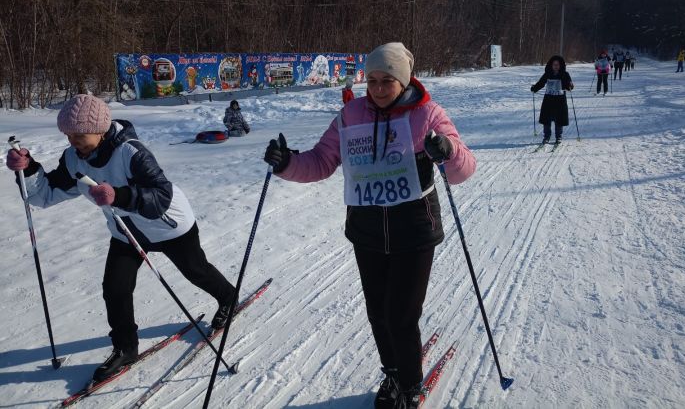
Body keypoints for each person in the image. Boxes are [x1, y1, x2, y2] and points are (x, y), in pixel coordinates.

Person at [263, 43, 476, 409]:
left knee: (401, 314)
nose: (377, 89)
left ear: (403, 79)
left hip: (413, 229)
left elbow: (463, 168)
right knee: (377, 311)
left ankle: (410, 385)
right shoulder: (351, 114)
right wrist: (286, 163)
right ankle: (392, 372)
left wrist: (447, 150)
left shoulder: (427, 114)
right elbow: (321, 161)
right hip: (367, 230)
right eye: (372, 80)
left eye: (387, 81)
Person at [5, 95, 236, 382]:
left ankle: (229, 297)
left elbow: (161, 196)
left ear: (101, 130)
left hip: (168, 225)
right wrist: (27, 169)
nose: (73, 141)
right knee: (115, 288)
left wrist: (120, 195)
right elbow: (45, 195)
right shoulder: (74, 159)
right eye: (68, 135)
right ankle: (125, 348)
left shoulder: (131, 152)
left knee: (196, 271)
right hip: (126, 231)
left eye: (80, 134)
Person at [530, 55, 574, 144]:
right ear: (551, 65)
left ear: (561, 65)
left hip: (560, 100)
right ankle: (547, 136)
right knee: (546, 119)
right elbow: (541, 83)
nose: (556, 66)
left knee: (559, 119)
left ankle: (559, 136)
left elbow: (569, 84)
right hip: (548, 99)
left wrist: (570, 86)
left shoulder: (565, 74)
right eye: (554, 65)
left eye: (557, 65)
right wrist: (535, 88)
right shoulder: (548, 74)